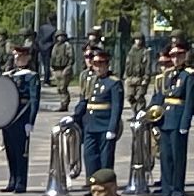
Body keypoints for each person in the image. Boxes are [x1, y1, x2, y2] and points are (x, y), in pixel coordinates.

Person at [72, 49, 122, 186]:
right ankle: (92, 183)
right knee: (89, 156)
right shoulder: (91, 81)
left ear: (107, 65)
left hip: (105, 125)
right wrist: (74, 117)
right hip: (90, 124)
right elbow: (84, 101)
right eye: (95, 64)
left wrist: (112, 128)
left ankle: (105, 185)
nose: (98, 67)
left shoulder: (114, 83)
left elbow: (116, 108)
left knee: (105, 158)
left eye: (101, 64)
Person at [0, 45, 42, 194]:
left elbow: (34, 100)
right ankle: (12, 180)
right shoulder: (9, 75)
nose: (18, 59)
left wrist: (31, 121)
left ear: (28, 58)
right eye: (16, 57)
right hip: (9, 117)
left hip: (21, 117)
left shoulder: (31, 76)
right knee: (10, 150)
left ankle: (21, 182)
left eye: (21, 57)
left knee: (21, 151)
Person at [156, 40, 193, 196]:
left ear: (185, 55)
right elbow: (161, 96)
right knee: (166, 157)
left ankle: (177, 191)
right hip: (166, 119)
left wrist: (185, 123)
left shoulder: (189, 76)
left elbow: (190, 102)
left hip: (178, 119)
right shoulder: (168, 75)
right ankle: (166, 189)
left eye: (179, 55)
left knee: (178, 158)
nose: (175, 58)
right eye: (173, 55)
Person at [124, 34, 152, 113]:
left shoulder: (145, 51)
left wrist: (146, 78)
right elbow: (127, 64)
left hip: (141, 77)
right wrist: (126, 76)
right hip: (131, 77)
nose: (138, 41)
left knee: (140, 97)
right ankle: (135, 112)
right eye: (136, 39)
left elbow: (148, 65)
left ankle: (140, 114)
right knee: (129, 96)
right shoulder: (131, 51)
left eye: (140, 39)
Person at [50, 31, 74, 111]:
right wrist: (52, 69)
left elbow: (71, 58)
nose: (60, 38)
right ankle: (62, 103)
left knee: (63, 88)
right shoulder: (55, 46)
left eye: (62, 36)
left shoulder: (67, 45)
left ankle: (64, 104)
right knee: (59, 88)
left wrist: (67, 68)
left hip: (64, 68)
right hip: (57, 69)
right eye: (58, 36)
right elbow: (52, 58)